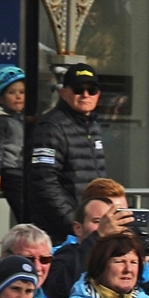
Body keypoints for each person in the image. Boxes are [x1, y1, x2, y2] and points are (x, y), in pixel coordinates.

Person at [26, 64, 108, 243]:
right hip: (61, 235)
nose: (85, 95)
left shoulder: (92, 126)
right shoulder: (50, 127)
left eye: (91, 90)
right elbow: (44, 183)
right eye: (79, 89)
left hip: (88, 231)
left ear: (98, 95)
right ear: (64, 93)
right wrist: (74, 224)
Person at [0, 65, 29, 221]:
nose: (18, 96)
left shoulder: (20, 119)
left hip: (23, 172)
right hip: (10, 173)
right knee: (24, 213)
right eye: (11, 92)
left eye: (22, 92)